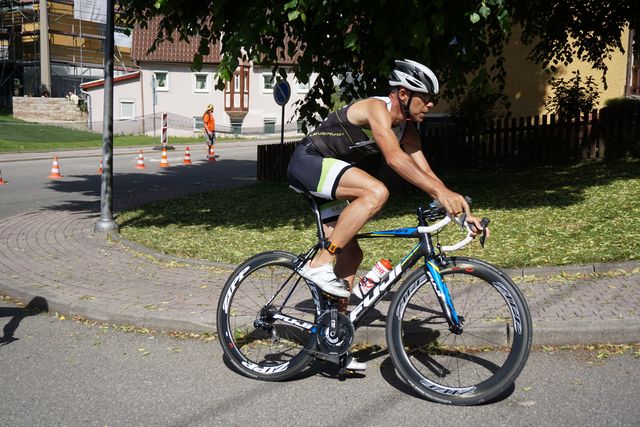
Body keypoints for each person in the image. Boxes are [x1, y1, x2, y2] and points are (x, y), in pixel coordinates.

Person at [287, 59, 487, 370]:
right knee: (376, 192)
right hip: (308, 162)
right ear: (403, 94)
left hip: (329, 177)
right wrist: (441, 193)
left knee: (352, 255)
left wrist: (460, 212)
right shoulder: (376, 108)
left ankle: (334, 339)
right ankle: (320, 263)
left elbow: (427, 175)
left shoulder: (408, 129)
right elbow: (394, 158)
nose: (431, 105)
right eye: (426, 98)